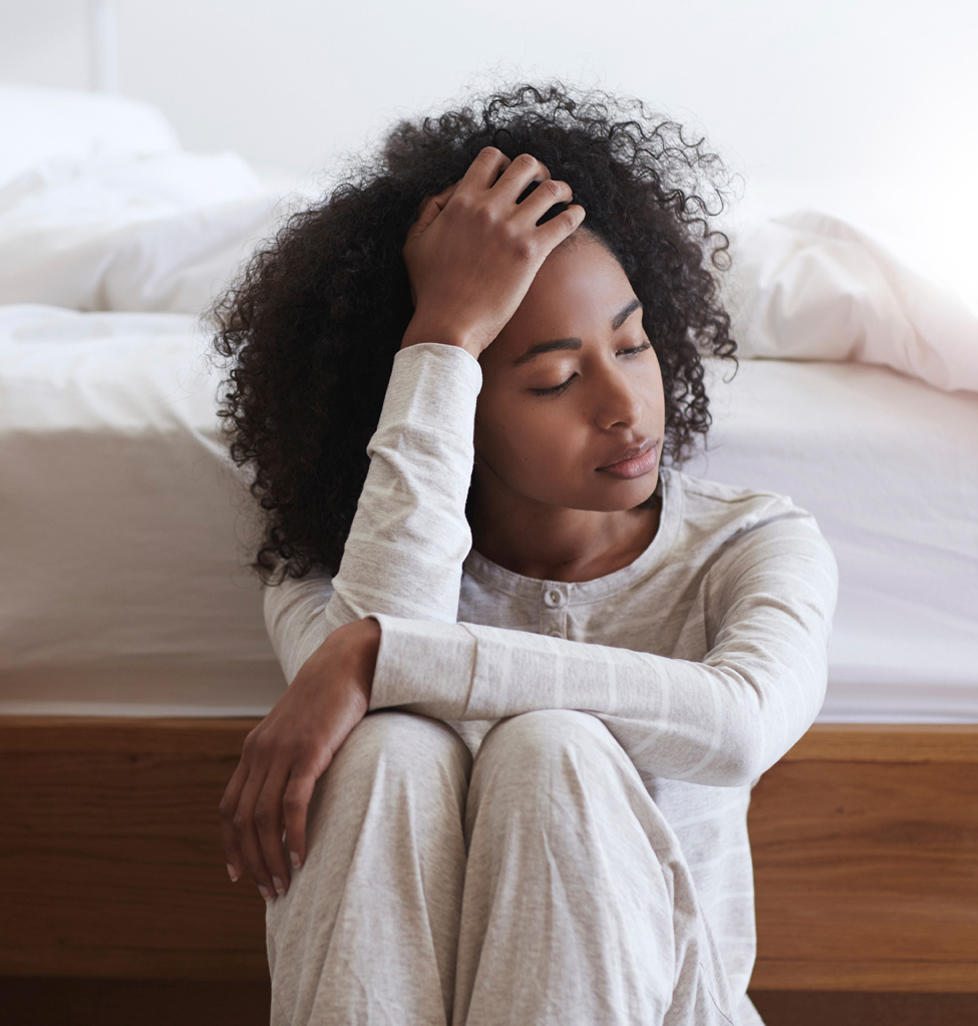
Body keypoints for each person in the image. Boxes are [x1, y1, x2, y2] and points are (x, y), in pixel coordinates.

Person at [210, 80, 839, 1026]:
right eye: (553, 380)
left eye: (632, 345)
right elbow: (384, 640)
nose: (625, 407)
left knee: (554, 747)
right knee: (381, 749)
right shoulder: (338, 578)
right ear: (455, 401)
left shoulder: (750, 544)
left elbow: (742, 726)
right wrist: (443, 336)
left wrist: (384, 653)